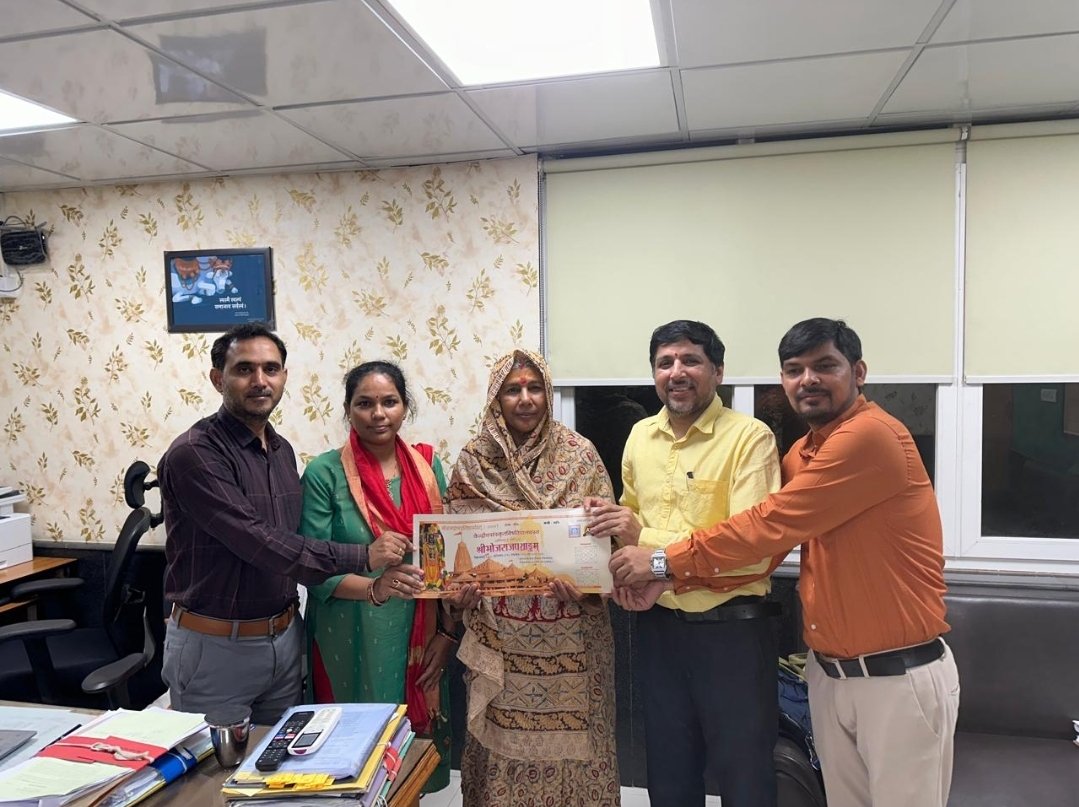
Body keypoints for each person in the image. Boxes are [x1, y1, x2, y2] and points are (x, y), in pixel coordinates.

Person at [610, 318, 959, 807]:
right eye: (794, 370)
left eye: (825, 366)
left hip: (895, 676)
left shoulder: (869, 437)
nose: (808, 380)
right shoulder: (800, 455)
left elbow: (764, 527)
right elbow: (764, 549)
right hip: (828, 673)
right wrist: (659, 576)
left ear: (858, 372)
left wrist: (661, 562)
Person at [159, 323, 415, 725]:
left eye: (271, 369)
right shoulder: (195, 454)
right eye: (244, 369)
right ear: (217, 379)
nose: (260, 381)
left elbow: (293, 539)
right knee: (210, 779)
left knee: (280, 776)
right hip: (217, 645)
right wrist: (363, 554)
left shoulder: (280, 450)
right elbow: (260, 542)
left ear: (284, 377)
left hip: (283, 636)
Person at [585, 320, 783, 807]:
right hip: (659, 627)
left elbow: (750, 547)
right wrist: (625, 573)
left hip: (731, 634)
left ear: (717, 370)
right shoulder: (638, 437)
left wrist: (644, 542)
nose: (677, 372)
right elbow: (625, 521)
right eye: (665, 362)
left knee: (744, 774)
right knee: (669, 772)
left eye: (690, 360)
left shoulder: (749, 438)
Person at [447, 349, 620, 807]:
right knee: (501, 752)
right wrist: (460, 593)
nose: (525, 399)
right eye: (512, 389)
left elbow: (609, 540)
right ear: (495, 399)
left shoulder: (580, 455)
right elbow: (455, 550)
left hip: (574, 633)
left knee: (577, 758)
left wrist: (587, 583)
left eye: (535, 387)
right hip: (501, 641)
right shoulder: (473, 463)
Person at [299, 360, 461, 792]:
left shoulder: (428, 467)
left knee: (409, 764)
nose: (378, 413)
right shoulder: (324, 474)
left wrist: (447, 632)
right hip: (350, 633)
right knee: (356, 759)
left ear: (405, 407)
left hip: (418, 628)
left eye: (389, 402)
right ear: (348, 410)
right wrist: (374, 585)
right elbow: (313, 568)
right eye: (365, 403)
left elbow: (441, 556)